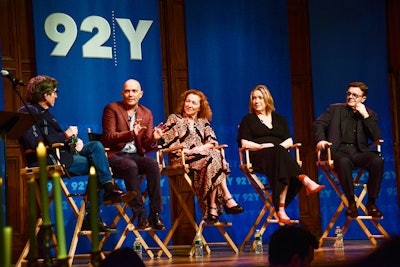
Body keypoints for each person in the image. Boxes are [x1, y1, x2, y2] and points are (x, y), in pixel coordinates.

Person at [18, 75, 136, 232]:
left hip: (63, 154)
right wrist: (66, 135)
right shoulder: (27, 112)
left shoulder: (46, 113)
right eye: (54, 92)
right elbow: (34, 143)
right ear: (45, 94)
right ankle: (98, 207)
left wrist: (72, 141)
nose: (56, 95)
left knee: (95, 146)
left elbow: (53, 139)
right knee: (100, 166)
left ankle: (107, 189)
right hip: (49, 160)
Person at [237, 85, 324, 224]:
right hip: (259, 156)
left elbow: (289, 140)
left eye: (260, 97)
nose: (256, 101)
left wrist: (278, 148)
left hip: (279, 157)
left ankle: (281, 209)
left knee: (279, 156)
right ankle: (304, 179)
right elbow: (244, 143)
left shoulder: (279, 119)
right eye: (254, 98)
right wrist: (261, 146)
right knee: (278, 155)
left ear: (267, 99)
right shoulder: (248, 119)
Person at [159, 89, 244, 223]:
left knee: (213, 156)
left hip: (204, 159)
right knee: (214, 157)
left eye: (194, 103)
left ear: (200, 107)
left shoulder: (203, 121)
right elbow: (170, 144)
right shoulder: (174, 118)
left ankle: (212, 206)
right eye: (187, 101)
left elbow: (212, 142)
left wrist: (200, 149)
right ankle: (226, 198)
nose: (189, 105)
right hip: (182, 158)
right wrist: (194, 151)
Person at [101, 79, 166, 230]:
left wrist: (154, 139)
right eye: (127, 91)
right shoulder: (112, 109)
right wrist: (130, 134)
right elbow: (108, 137)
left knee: (152, 164)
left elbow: (145, 144)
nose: (130, 94)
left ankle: (155, 214)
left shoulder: (146, 113)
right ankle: (141, 215)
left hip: (136, 156)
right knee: (130, 166)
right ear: (122, 93)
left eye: (134, 91)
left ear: (140, 94)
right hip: (115, 156)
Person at [313, 81, 384, 218]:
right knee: (343, 161)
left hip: (359, 152)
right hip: (338, 151)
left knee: (377, 161)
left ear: (363, 99)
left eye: (355, 95)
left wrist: (366, 116)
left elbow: (376, 136)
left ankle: (371, 203)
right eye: (349, 94)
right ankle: (351, 202)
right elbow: (318, 124)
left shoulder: (370, 114)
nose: (350, 97)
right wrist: (321, 139)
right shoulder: (335, 109)